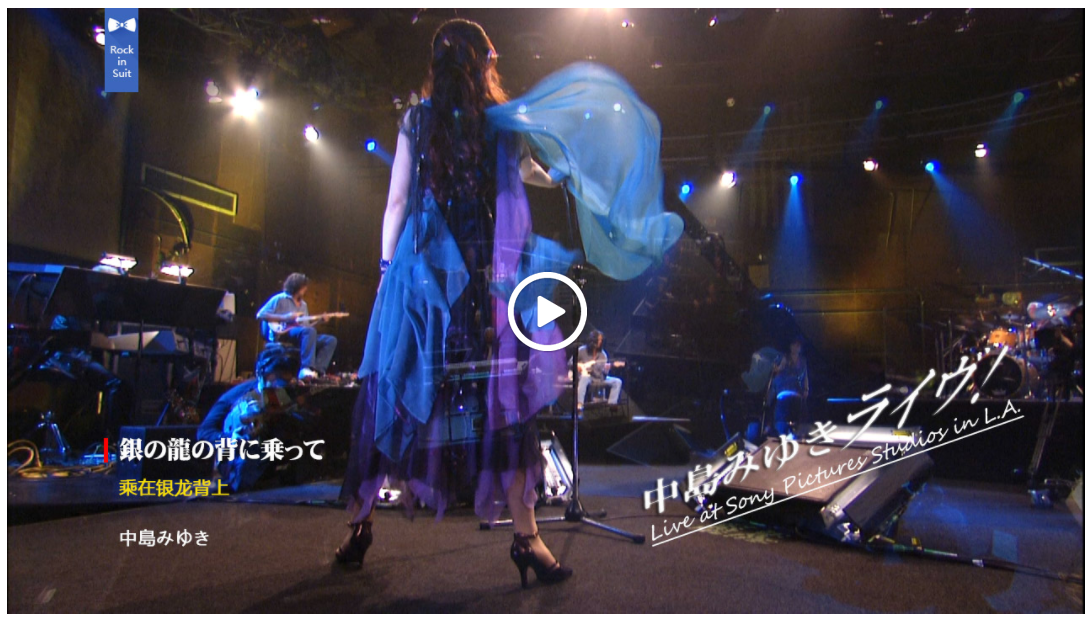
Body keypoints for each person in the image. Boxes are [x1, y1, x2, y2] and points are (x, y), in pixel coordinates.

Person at [337, 19, 683, 588]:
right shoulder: (500, 124)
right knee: (503, 400)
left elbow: (397, 200)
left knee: (395, 390)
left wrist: (385, 273)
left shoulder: (416, 121)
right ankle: (528, 539)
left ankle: (359, 526)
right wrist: (570, 175)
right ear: (483, 64)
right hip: (483, 280)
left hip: (424, 276)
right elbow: (527, 173)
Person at [197, 346, 318, 492]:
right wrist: (230, 439)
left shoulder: (291, 392)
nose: (279, 385)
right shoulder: (237, 395)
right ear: (262, 374)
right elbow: (204, 432)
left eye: (286, 378)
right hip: (243, 457)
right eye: (277, 377)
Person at [256, 273, 337, 380]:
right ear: (296, 286)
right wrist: (285, 317)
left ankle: (317, 372)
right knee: (308, 331)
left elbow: (306, 327)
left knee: (330, 340)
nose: (305, 289)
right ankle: (306, 368)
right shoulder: (280, 299)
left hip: (300, 334)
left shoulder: (303, 305)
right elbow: (260, 314)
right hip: (284, 333)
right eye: (304, 287)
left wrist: (320, 321)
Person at [768, 337, 809, 436]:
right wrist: (777, 368)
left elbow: (805, 376)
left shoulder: (803, 361)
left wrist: (806, 389)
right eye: (794, 345)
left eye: (798, 345)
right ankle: (777, 428)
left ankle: (797, 432)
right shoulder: (785, 357)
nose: (796, 347)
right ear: (790, 346)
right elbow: (778, 369)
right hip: (784, 390)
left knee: (799, 415)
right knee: (782, 415)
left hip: (797, 391)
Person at [575, 330, 623, 411]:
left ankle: (612, 403)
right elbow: (570, 363)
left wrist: (608, 368)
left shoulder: (603, 355)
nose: (600, 342)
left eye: (601, 340)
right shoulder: (581, 350)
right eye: (599, 339)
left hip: (598, 378)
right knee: (584, 377)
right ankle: (579, 404)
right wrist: (580, 366)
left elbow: (601, 374)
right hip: (587, 378)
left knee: (617, 381)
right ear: (593, 340)